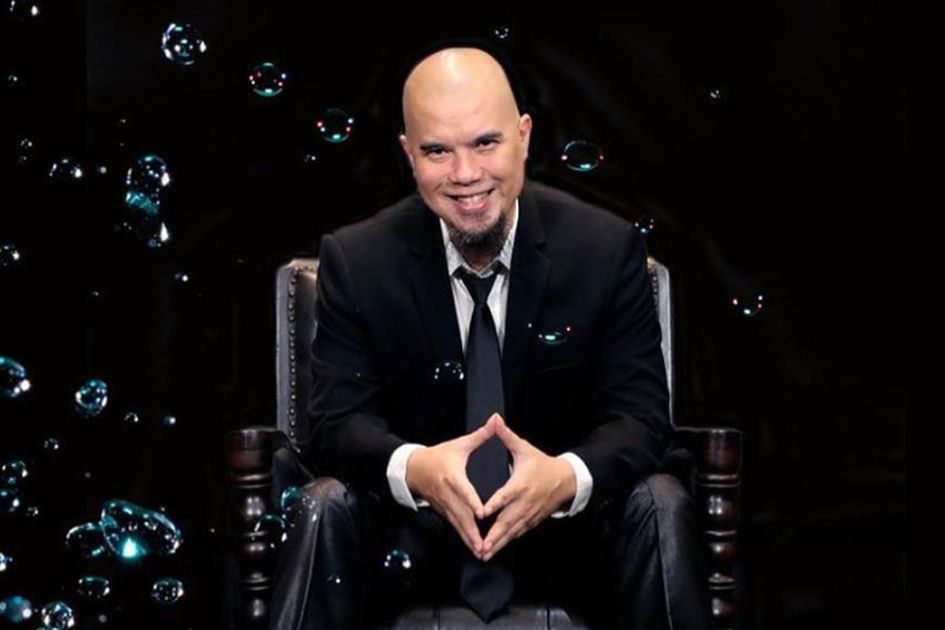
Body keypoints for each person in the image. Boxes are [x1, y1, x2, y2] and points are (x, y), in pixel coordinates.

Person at [269, 44, 713, 629]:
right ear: (408, 154)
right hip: (408, 550)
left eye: (485, 143)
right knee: (322, 504)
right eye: (437, 150)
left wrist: (565, 477)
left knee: (662, 501)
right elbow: (336, 423)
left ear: (524, 137)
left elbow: (641, 419)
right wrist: (416, 468)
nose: (465, 174)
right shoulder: (357, 259)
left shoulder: (604, 250)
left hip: (574, 547)